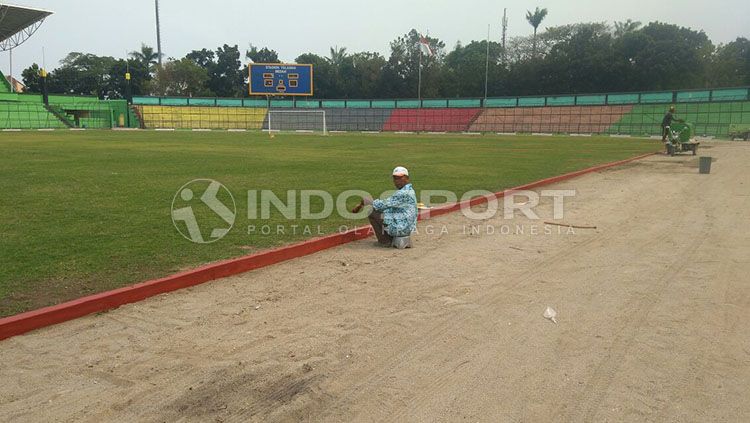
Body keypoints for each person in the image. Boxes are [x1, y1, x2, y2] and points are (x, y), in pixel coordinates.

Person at [352, 166, 417, 247]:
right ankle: (388, 238)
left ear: (407, 178)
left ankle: (384, 241)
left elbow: (382, 205)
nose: (397, 181)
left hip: (401, 228)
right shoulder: (410, 190)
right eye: (395, 178)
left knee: (372, 211)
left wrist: (364, 201)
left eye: (400, 178)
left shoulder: (403, 193)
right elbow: (389, 205)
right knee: (383, 211)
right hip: (406, 226)